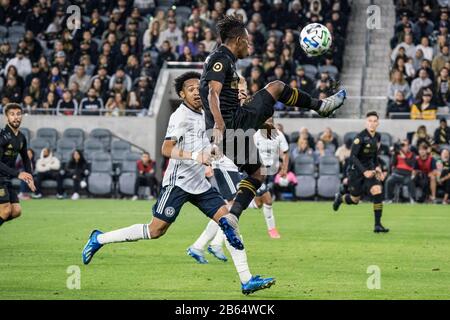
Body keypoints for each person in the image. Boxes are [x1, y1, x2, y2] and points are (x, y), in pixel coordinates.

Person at [82, 72, 275, 295]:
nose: (196, 92)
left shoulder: (209, 112)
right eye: (190, 89)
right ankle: (99, 238)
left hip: (200, 184)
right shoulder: (179, 117)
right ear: (182, 94)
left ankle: (247, 280)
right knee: (155, 231)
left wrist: (259, 120)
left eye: (198, 88)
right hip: (178, 182)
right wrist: (197, 157)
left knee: (229, 223)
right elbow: (165, 149)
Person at [200, 16, 347, 227]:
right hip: (230, 125)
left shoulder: (221, 59)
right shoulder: (221, 58)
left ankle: (233, 216)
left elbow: (217, 95)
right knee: (277, 87)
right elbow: (212, 93)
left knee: (257, 173)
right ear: (239, 40)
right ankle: (321, 106)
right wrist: (220, 123)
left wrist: (255, 122)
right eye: (248, 41)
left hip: (228, 131)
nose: (249, 45)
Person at [333, 111, 389, 233]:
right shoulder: (359, 138)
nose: (372, 123)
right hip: (356, 172)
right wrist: (364, 172)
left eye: (375, 121)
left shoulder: (378, 136)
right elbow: (352, 157)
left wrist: (378, 167)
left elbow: (374, 155)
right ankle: (339, 199)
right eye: (370, 121)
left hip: (370, 171)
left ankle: (377, 225)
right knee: (355, 200)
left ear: (378, 123)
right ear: (366, 123)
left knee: (377, 190)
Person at [0, 103, 36, 228]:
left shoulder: (21, 137)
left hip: (6, 178)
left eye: (18, 114)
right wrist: (18, 173)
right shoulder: (2, 136)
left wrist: (29, 177)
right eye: (12, 114)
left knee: (16, 211)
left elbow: (26, 158)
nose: (16, 117)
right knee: (5, 211)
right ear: (7, 118)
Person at [385, 139, 416, 204]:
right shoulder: (397, 153)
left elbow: (411, 164)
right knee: (389, 181)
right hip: (396, 174)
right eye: (402, 145)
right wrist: (394, 154)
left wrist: (404, 157)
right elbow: (393, 164)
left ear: (408, 146)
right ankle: (389, 199)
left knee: (410, 182)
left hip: (406, 175)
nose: (403, 147)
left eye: (405, 145)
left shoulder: (412, 154)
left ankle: (413, 199)